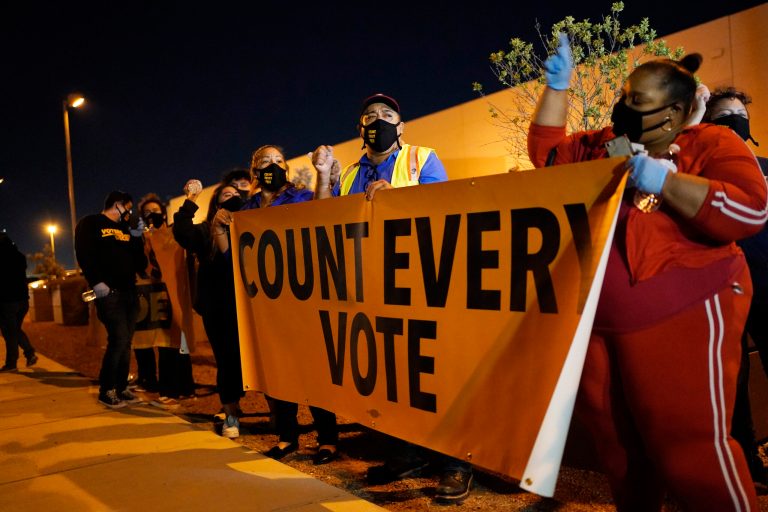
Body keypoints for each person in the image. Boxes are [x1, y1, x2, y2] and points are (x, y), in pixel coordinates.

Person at [527, 34, 767, 510]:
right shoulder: (602, 146)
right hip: (600, 324)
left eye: (638, 100)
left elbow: (750, 210)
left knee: (690, 449)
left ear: (674, 112)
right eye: (624, 96)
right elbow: (547, 157)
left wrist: (668, 182)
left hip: (684, 313)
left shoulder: (711, 141)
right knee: (619, 451)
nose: (624, 106)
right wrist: (557, 88)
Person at [311, 94, 472, 503]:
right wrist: (324, 178)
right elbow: (323, 221)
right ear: (360, 129)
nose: (378, 121)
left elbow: (445, 207)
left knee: (436, 375)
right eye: (370, 116)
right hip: (373, 288)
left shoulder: (422, 158)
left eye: (387, 115)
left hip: (422, 284)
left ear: (401, 128)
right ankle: (408, 454)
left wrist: (397, 195)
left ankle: (455, 463)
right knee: (393, 377)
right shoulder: (350, 174)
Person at [220, 144, 339, 465]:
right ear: (254, 171)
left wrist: (323, 176)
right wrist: (220, 228)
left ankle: (328, 439)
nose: (272, 166)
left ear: (285, 167)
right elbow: (235, 258)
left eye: (278, 160)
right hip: (268, 304)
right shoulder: (246, 209)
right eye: (265, 161)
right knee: (279, 370)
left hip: (303, 297)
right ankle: (287, 436)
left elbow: (323, 213)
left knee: (313, 370)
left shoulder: (300, 196)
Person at [704, 87, 768, 488]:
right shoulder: (697, 173)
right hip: (723, 292)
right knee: (734, 381)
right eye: (724, 116)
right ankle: (748, 464)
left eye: (739, 115)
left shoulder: (765, 168)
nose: (734, 122)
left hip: (767, 286)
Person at [172, 180, 245, 437]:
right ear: (216, 203)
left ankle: (277, 415)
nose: (233, 197)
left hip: (249, 307)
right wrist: (191, 199)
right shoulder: (205, 232)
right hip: (219, 308)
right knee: (227, 361)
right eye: (226, 194)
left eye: (236, 194)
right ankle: (231, 415)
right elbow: (182, 231)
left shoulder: (249, 225)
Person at [75, 190, 148, 408]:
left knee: (126, 341)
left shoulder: (126, 228)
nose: (129, 213)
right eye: (128, 208)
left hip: (129, 292)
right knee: (118, 339)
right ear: (117, 204)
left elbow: (141, 264)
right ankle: (107, 389)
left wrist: (137, 236)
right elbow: (84, 253)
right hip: (109, 293)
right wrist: (96, 282)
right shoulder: (91, 223)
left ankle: (121, 386)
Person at [132, 193, 196, 406]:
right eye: (147, 212)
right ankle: (169, 389)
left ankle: (183, 388)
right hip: (153, 296)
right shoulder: (142, 237)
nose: (152, 215)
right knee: (164, 343)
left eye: (155, 211)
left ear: (164, 214)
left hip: (175, 295)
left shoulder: (173, 234)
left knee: (178, 342)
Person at [0, 231, 38, 372]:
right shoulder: (19, 256)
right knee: (14, 330)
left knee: (10, 332)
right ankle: (29, 353)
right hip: (22, 300)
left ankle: (12, 363)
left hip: (7, 301)